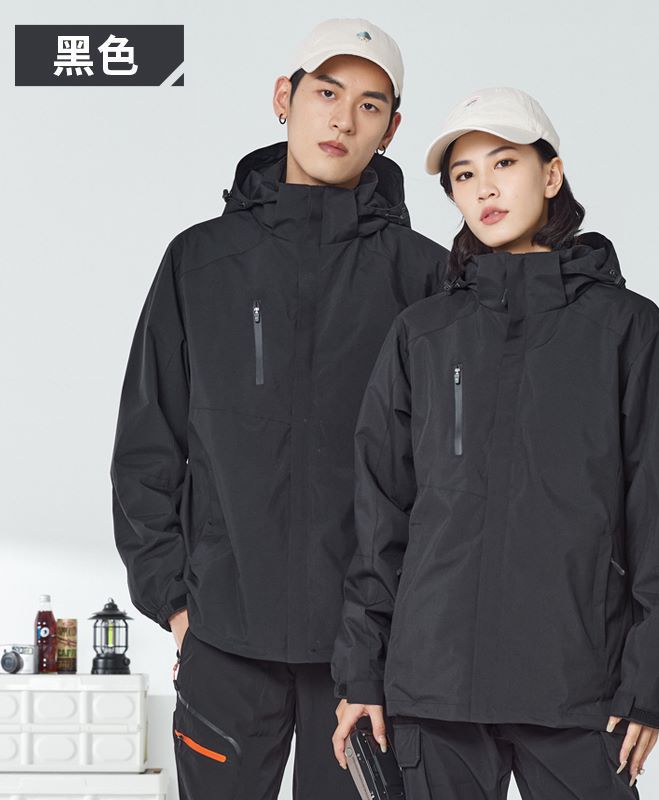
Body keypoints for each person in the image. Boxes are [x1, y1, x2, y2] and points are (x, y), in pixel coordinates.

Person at [110, 18, 447, 800]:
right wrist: (176, 604)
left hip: (369, 654)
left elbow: (447, 472)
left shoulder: (425, 278)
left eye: (369, 105)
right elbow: (148, 443)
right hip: (226, 640)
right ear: (283, 99)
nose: (343, 119)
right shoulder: (201, 260)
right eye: (326, 93)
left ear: (392, 129)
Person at [331, 87, 659, 799]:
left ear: (551, 174)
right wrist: (359, 675)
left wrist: (652, 683)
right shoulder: (423, 333)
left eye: (503, 163)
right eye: (464, 175)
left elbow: (658, 513)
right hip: (435, 687)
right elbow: (380, 520)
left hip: (578, 686)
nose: (485, 188)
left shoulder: (625, 329)